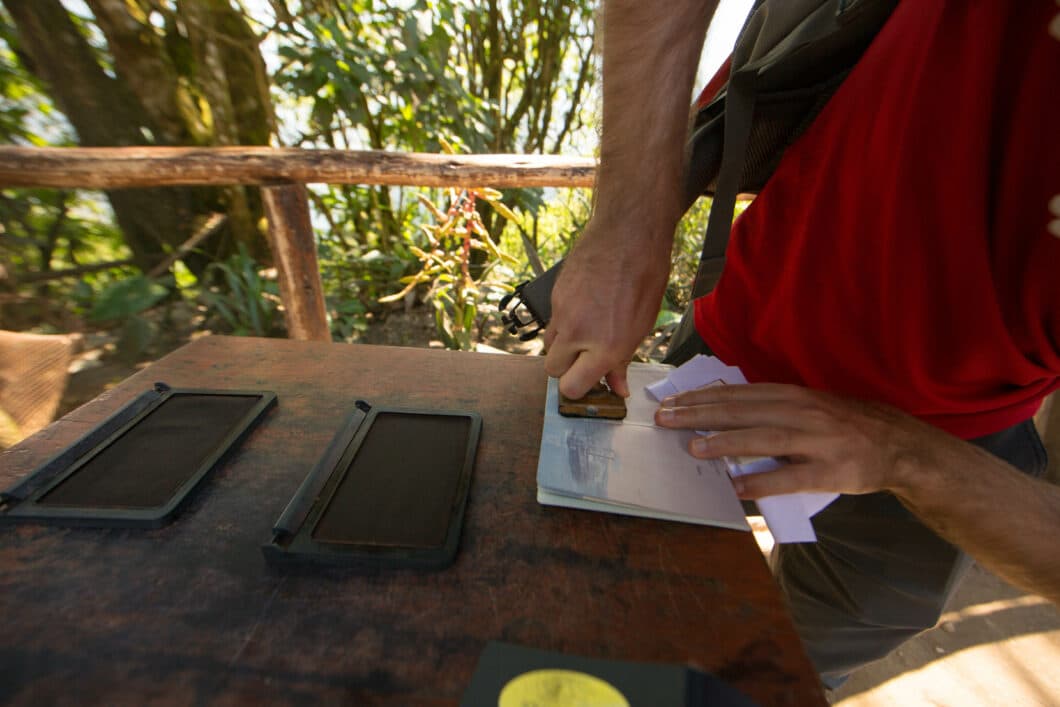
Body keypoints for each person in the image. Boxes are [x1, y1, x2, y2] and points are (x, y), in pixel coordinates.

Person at [543, 0, 1060, 686]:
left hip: (966, 443)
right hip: (751, 330)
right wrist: (628, 226)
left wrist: (903, 453)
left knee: (779, 672)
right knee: (610, 607)